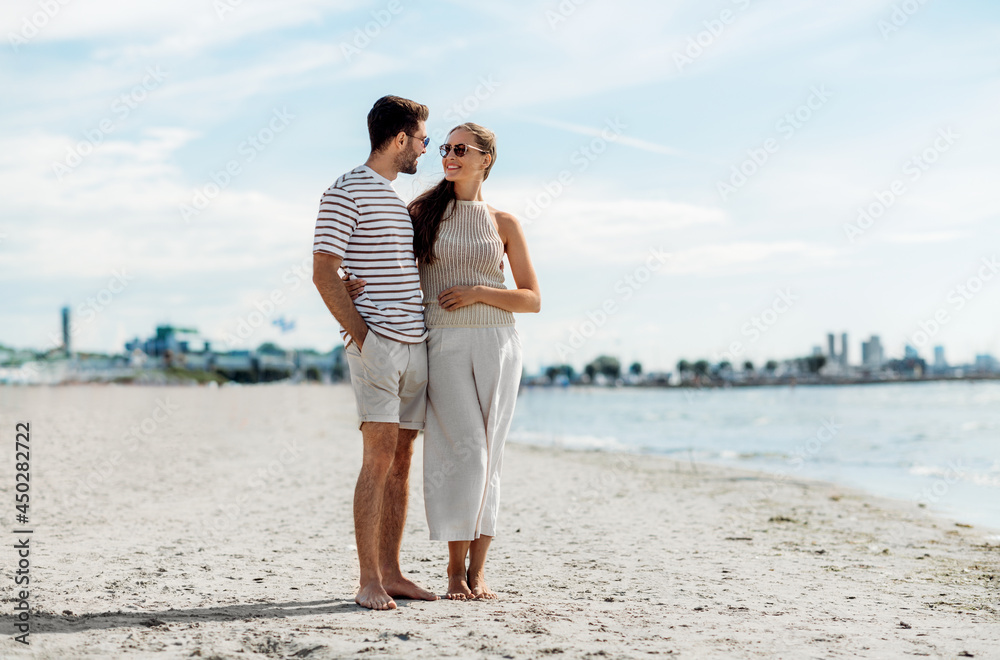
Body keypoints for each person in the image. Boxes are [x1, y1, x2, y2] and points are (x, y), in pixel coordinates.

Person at [348, 122, 541, 600]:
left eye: (461, 149)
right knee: (465, 452)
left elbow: (532, 299)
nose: (449, 156)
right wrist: (356, 287)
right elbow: (387, 265)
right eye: (445, 148)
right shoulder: (421, 213)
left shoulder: (504, 223)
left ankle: (478, 573)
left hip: (499, 343)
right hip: (442, 343)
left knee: (490, 454)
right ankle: (454, 572)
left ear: (485, 160)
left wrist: (480, 291)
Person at [311, 95, 438, 610]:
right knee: (378, 459)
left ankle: (393, 572)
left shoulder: (392, 198)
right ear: (401, 138)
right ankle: (368, 581)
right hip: (380, 344)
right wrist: (364, 336)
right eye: (424, 140)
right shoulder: (345, 189)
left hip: (416, 343)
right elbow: (324, 271)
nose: (425, 150)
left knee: (402, 462)